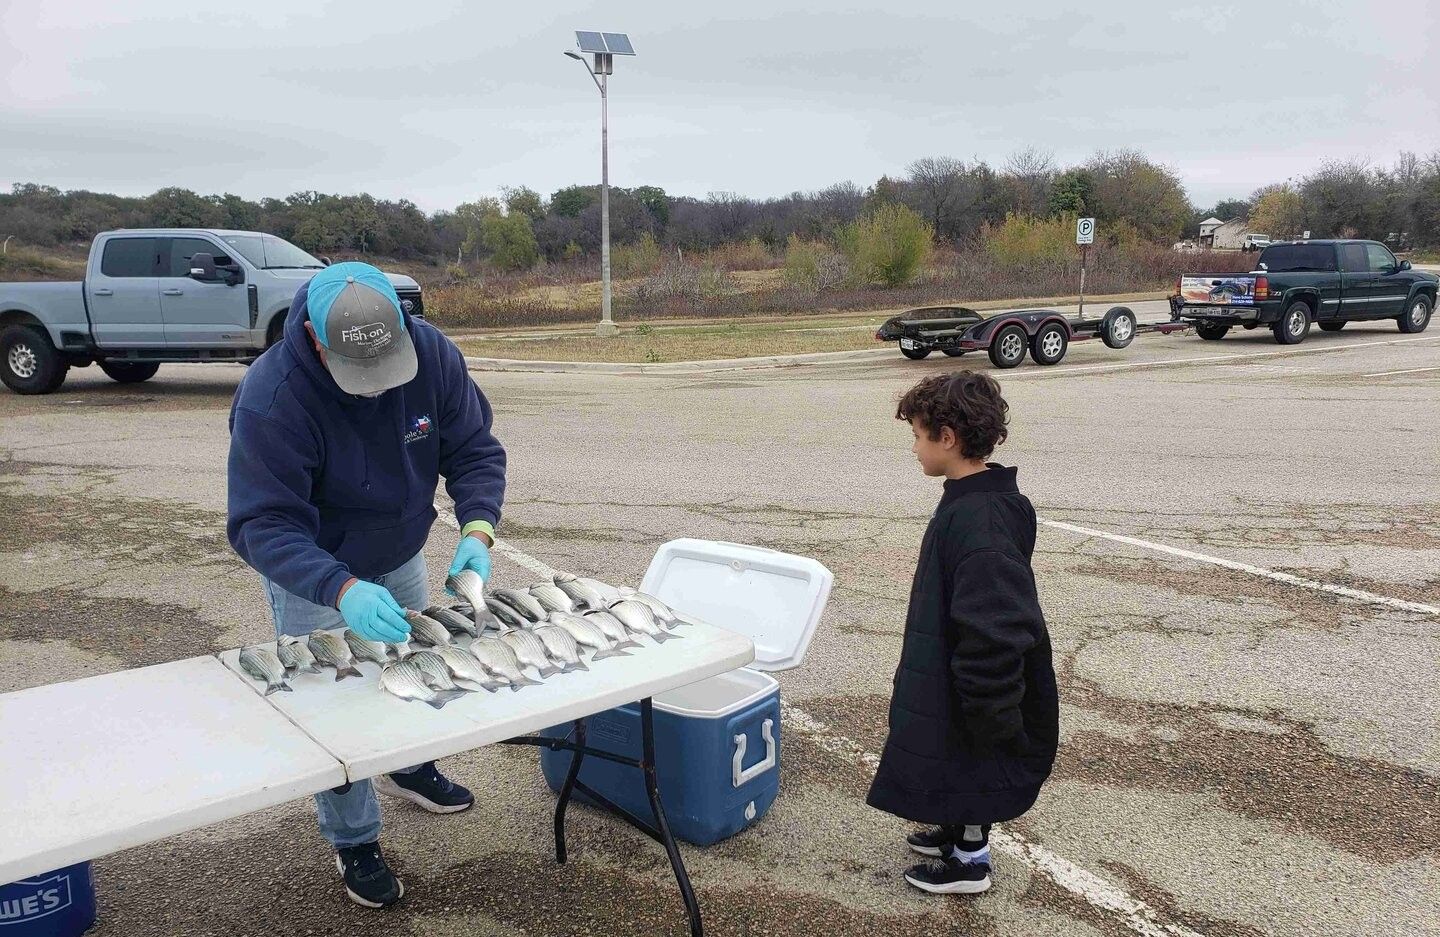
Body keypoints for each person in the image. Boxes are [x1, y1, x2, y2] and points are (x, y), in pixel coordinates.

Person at [226, 261, 506, 908]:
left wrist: (478, 530)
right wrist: (341, 587)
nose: (377, 390)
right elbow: (261, 524)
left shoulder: (432, 353)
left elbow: (473, 449)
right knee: (337, 703)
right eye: (360, 375)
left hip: (400, 547)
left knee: (412, 665)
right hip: (316, 569)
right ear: (318, 342)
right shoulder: (273, 396)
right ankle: (353, 834)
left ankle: (410, 763)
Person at [866, 371, 1059, 895]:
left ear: (947, 438)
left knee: (976, 753)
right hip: (952, 664)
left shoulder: (983, 520)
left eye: (918, 434)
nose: (913, 448)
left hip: (978, 681)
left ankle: (970, 862)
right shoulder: (971, 496)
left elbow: (995, 628)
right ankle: (954, 829)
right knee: (950, 750)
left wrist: (993, 708)